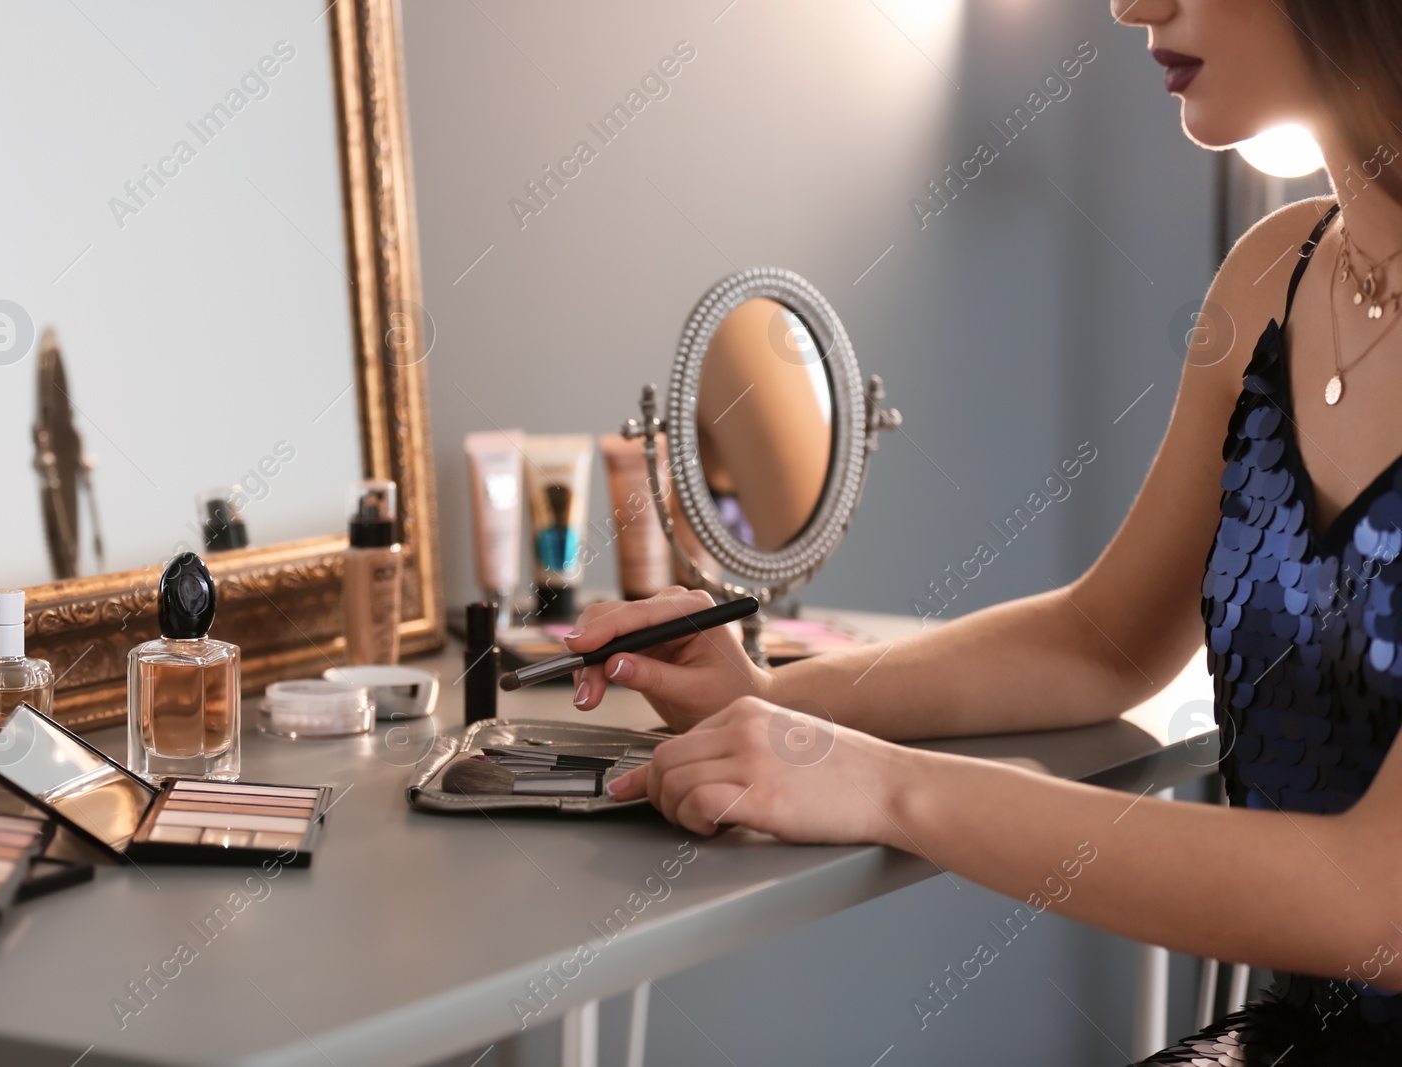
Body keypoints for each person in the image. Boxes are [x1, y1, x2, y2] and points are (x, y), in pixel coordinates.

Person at [565, 2, 1402, 1063]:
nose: (1132, 4)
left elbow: (1379, 897)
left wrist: (885, 782)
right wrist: (775, 697)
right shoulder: (1274, 273)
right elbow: (1101, 641)